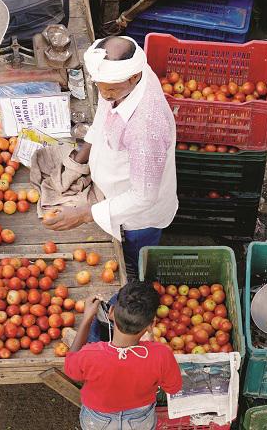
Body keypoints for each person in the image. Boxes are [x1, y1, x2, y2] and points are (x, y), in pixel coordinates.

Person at [43, 36, 178, 279]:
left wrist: (86, 213)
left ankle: (140, 279)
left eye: (111, 89)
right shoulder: (124, 77)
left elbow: (143, 196)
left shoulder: (146, 128)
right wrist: (80, 158)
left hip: (138, 217)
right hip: (114, 188)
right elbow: (105, 114)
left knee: (135, 260)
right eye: (100, 86)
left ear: (134, 77)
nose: (104, 94)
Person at [64, 282, 182, 430]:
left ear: (111, 312)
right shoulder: (161, 354)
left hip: (98, 420)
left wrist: (87, 318)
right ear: (151, 324)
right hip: (140, 421)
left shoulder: (90, 354)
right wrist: (151, 342)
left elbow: (70, 369)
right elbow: (173, 388)